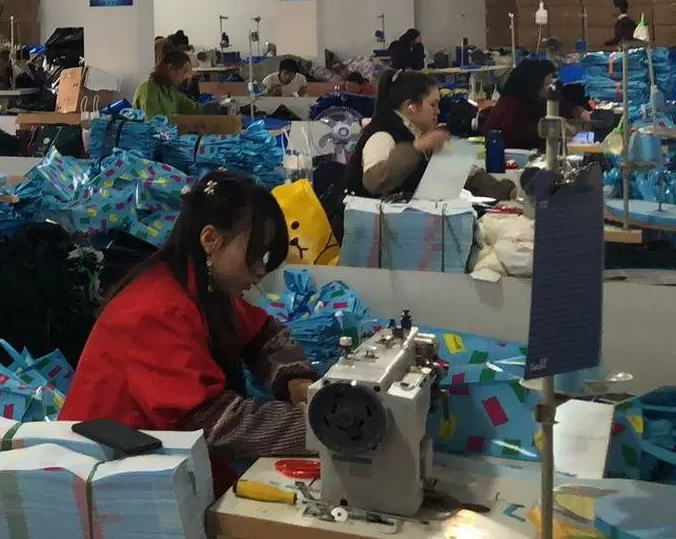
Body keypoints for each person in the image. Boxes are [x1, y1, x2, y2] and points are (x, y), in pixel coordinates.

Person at [60, 171, 314, 493]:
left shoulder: (202, 291)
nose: (261, 271)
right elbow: (214, 423)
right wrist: (319, 427)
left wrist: (296, 381)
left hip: (157, 459)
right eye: (254, 255)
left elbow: (264, 335)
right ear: (210, 239)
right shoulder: (155, 311)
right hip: (110, 476)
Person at [334, 70, 515, 215]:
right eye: (433, 104)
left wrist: (505, 191)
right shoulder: (382, 135)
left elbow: (457, 173)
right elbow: (374, 181)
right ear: (411, 107)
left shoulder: (416, 134)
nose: (438, 111)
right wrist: (417, 148)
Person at [477, 58, 557, 152]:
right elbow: (519, 131)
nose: (548, 89)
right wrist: (551, 128)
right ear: (534, 83)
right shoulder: (509, 105)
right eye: (545, 85)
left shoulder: (531, 100)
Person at [136, 50, 203, 118]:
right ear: (170, 68)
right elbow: (155, 121)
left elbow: (195, 109)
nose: (186, 76)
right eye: (184, 71)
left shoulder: (170, 91)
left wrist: (209, 108)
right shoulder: (148, 89)